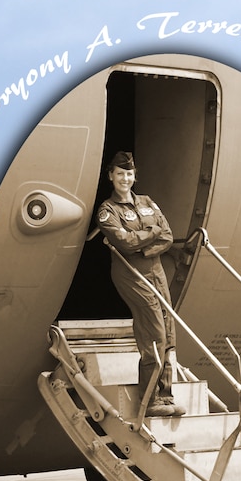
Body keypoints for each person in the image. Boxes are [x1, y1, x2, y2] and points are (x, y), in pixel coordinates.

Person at [95, 150, 183, 417]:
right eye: (120, 174)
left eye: (129, 174)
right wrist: (151, 233)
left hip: (153, 268)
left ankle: (166, 396)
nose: (125, 178)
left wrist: (143, 244)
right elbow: (124, 243)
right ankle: (151, 398)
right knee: (153, 329)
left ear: (135, 176)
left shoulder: (146, 201)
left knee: (168, 328)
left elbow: (166, 235)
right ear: (111, 176)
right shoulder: (107, 211)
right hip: (130, 272)